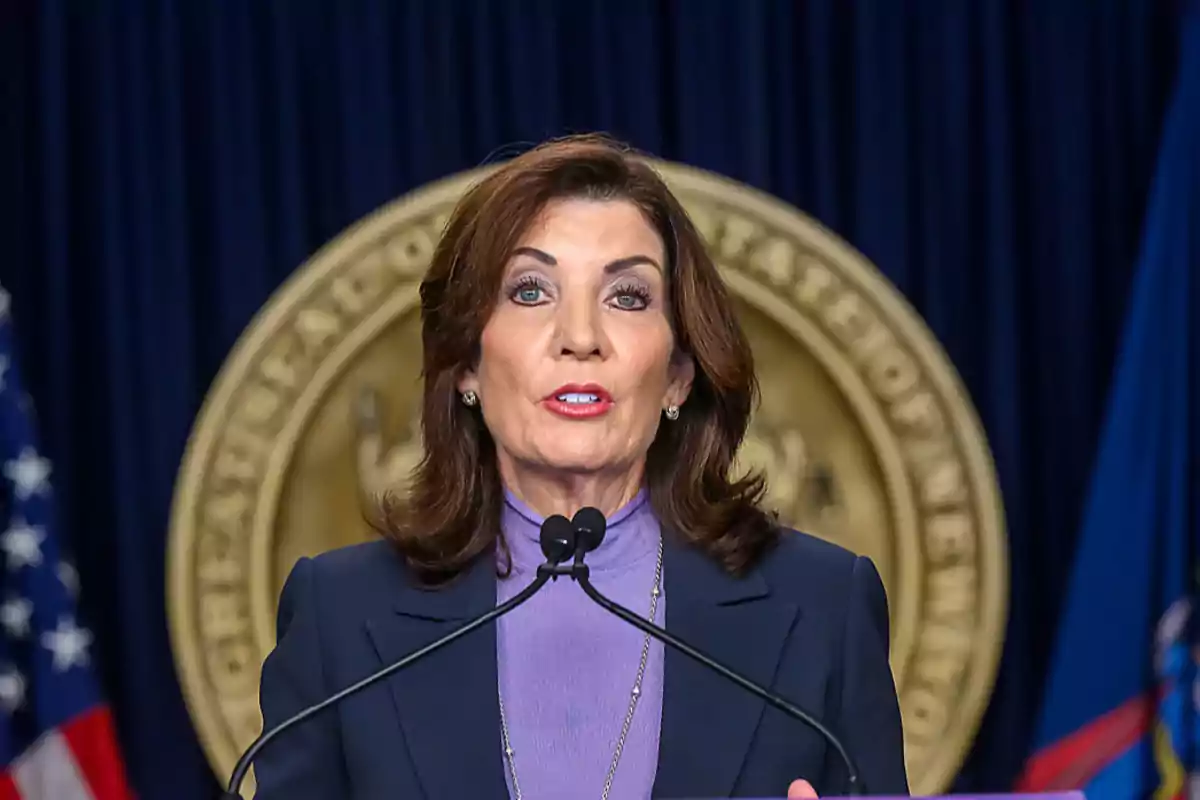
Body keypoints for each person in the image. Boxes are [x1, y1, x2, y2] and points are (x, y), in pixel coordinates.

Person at [254, 133, 909, 799]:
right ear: (466, 365)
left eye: (627, 296)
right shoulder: (339, 617)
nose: (580, 337)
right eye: (531, 290)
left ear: (680, 372)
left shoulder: (824, 606)